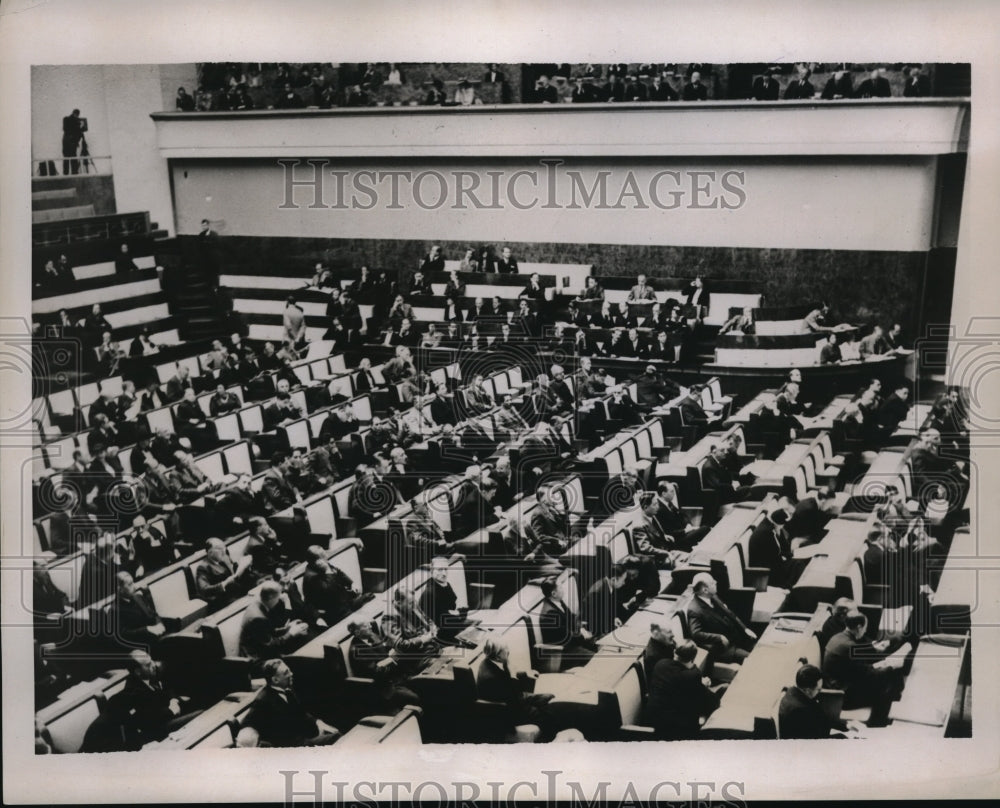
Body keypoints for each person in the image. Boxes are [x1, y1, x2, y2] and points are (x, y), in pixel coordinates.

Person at [822, 610, 906, 727]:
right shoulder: (849, 646)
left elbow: (855, 657)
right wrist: (891, 666)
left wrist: (873, 647)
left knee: (887, 677)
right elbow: (867, 674)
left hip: (839, 682)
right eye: (865, 627)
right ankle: (877, 726)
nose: (866, 630)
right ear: (859, 627)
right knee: (886, 690)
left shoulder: (838, 637)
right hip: (841, 695)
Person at [112, 650, 201, 748]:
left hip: (171, 713)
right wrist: (171, 710)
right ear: (138, 672)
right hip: (159, 728)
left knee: (201, 702)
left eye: (152, 661)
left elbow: (168, 687)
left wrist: (173, 700)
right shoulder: (132, 692)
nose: (154, 665)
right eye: (148, 665)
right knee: (200, 715)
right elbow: (149, 718)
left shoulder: (152, 672)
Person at [243, 659, 339, 747]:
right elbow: (247, 724)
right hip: (292, 746)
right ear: (275, 680)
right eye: (286, 673)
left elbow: (301, 713)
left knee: (335, 731)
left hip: (303, 736)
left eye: (289, 670)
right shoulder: (262, 701)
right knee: (336, 737)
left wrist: (318, 723)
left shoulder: (287, 689)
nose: (291, 674)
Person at [476, 637, 554, 738]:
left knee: (549, 697)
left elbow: (507, 682)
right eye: (505, 649)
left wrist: (525, 673)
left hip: (514, 699)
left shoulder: (493, 661)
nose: (508, 651)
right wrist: (513, 676)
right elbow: (513, 699)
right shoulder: (490, 677)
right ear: (498, 655)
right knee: (545, 716)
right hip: (507, 711)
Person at [646, 640, 720, 740]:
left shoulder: (660, 664)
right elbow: (713, 703)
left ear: (674, 653)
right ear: (693, 658)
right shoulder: (692, 675)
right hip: (676, 729)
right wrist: (702, 683)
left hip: (653, 719)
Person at [686, 572, 757, 663]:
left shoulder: (713, 596)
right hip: (726, 648)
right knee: (753, 660)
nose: (716, 582)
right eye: (712, 582)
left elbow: (730, 614)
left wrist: (744, 628)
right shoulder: (694, 610)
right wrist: (719, 637)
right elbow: (695, 633)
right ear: (705, 590)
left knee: (760, 651)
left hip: (737, 637)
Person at [239, 580, 311, 665]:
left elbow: (269, 631)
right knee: (305, 657)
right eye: (278, 598)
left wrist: (287, 628)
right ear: (270, 599)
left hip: (263, 647)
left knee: (305, 638)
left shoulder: (259, 604)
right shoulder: (257, 618)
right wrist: (291, 633)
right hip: (258, 658)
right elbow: (270, 646)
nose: (279, 601)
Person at [778, 664, 855, 739]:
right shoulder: (800, 710)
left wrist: (846, 726)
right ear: (808, 690)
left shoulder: (794, 691)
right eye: (818, 689)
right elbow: (817, 739)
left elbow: (821, 717)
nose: (820, 691)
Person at [418, 557, 475, 645]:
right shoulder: (430, 593)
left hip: (452, 625)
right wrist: (461, 614)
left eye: (446, 569)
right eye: (440, 569)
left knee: (478, 627)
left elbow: (452, 606)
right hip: (442, 635)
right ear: (432, 571)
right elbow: (443, 621)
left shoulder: (444, 584)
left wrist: (459, 613)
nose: (444, 573)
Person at [109, 571, 169, 649]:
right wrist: (146, 629)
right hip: (144, 645)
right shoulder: (114, 610)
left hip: (158, 635)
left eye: (133, 582)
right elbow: (123, 635)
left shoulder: (138, 597)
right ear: (120, 589)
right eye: (130, 584)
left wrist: (159, 624)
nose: (135, 586)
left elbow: (153, 614)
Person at [195, 537, 254, 611]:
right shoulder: (203, 567)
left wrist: (245, 566)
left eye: (224, 547)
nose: (223, 551)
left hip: (238, 591)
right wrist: (224, 583)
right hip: (224, 599)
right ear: (210, 552)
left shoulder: (225, 557)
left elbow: (235, 573)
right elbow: (204, 590)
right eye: (219, 548)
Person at [62, 108, 86, 175]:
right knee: (68, 157)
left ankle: (72, 173)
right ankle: (69, 173)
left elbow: (79, 133)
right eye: (76, 114)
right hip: (68, 141)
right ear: (74, 113)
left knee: (71, 157)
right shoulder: (67, 119)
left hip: (71, 141)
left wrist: (80, 127)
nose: (77, 116)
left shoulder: (74, 121)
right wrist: (78, 125)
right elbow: (66, 129)